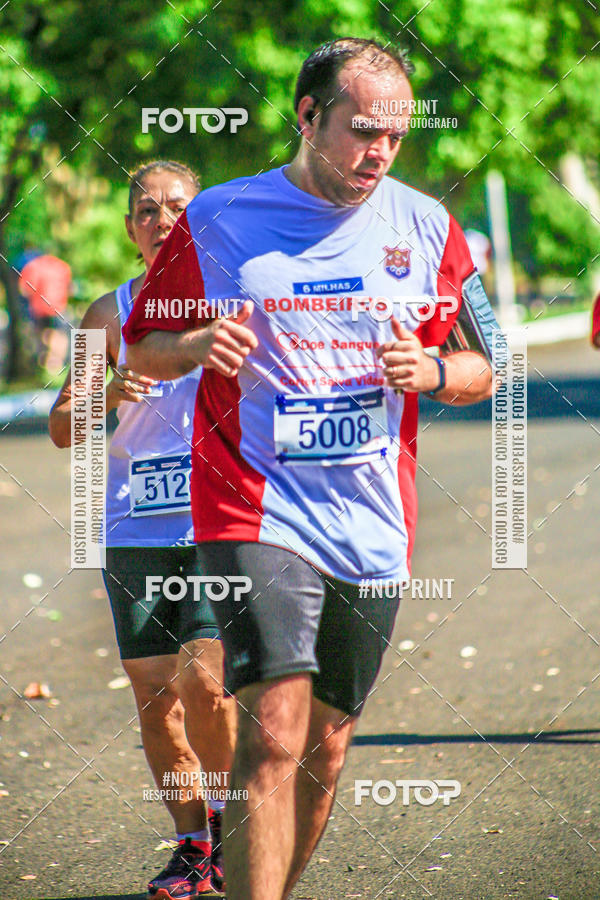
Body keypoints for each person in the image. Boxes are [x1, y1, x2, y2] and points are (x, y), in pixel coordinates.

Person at [123, 38, 501, 900]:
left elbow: (487, 365)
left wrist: (434, 371)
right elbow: (146, 341)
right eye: (363, 130)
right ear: (306, 116)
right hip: (254, 505)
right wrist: (194, 343)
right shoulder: (220, 219)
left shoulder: (427, 228)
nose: (380, 152)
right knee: (275, 725)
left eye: (395, 137)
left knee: (325, 748)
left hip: (371, 519)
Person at [49, 160, 235, 899]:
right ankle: (193, 845)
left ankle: (232, 825)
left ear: (199, 221)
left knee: (208, 687)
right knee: (156, 693)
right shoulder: (106, 314)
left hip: (220, 521)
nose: (161, 220)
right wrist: (108, 393)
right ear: (131, 230)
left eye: (176, 208)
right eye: (146, 210)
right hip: (134, 526)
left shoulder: (231, 302)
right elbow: (64, 426)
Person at [19, 252, 72, 373]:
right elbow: (69, 287)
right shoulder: (62, 266)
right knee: (59, 334)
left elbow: (24, 289)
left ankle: (44, 361)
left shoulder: (33, 266)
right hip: (59, 306)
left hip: (39, 307)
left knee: (42, 333)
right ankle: (56, 363)